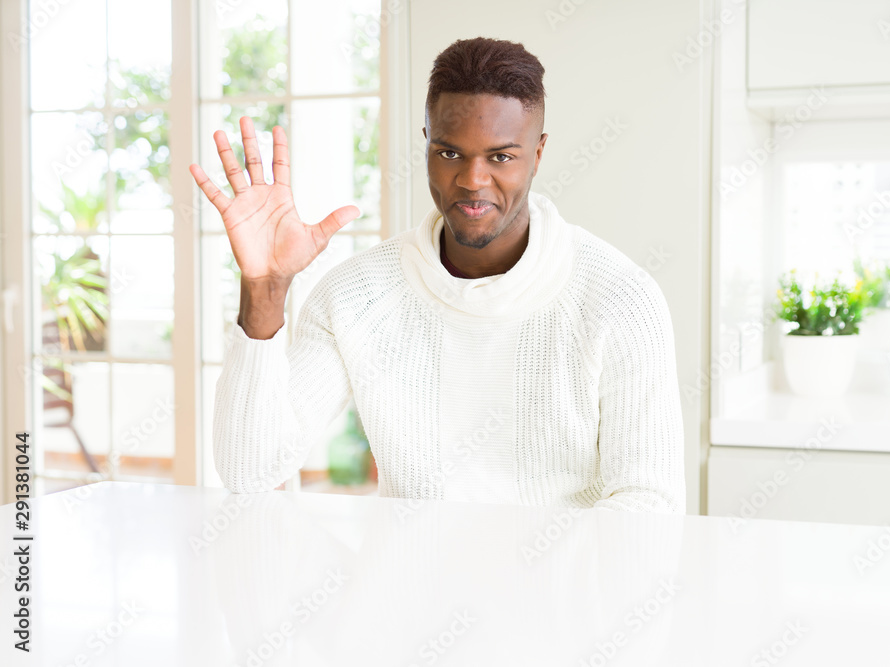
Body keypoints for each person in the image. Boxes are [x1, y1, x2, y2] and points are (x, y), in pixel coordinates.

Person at [189, 37, 685, 513]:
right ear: (426, 144)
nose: (472, 180)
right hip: (409, 592)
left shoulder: (621, 297)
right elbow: (249, 470)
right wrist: (266, 286)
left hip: (560, 597)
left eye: (501, 156)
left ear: (537, 154)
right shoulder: (356, 296)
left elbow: (648, 501)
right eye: (450, 153)